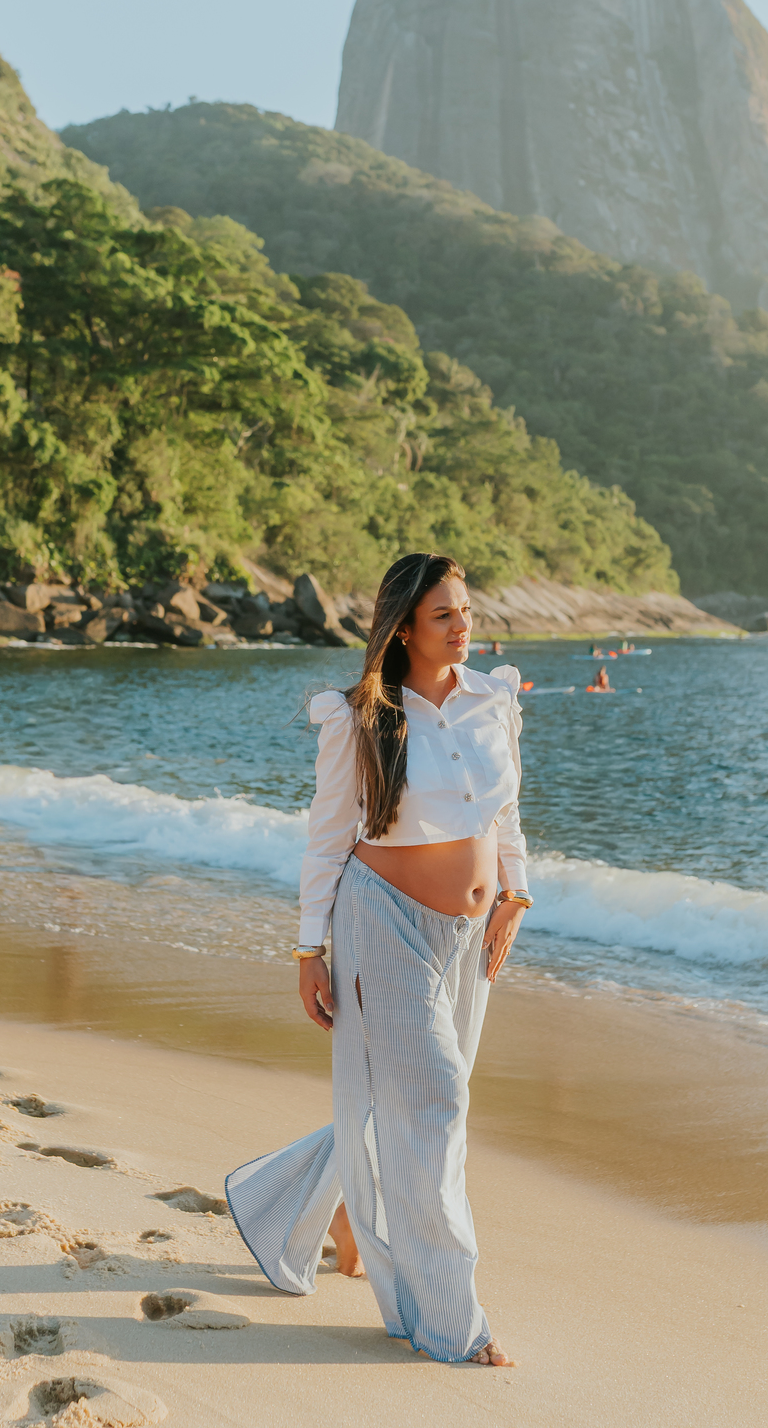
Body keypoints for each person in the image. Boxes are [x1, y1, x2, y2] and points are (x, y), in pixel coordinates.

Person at [225, 553, 530, 1367]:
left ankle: (311, 1207)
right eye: (444, 616)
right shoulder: (359, 717)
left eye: (466, 610)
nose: (464, 625)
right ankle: (447, 1320)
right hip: (382, 924)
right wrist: (308, 948)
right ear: (402, 630)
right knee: (433, 1106)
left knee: (417, 1099)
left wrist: (515, 896)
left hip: (470, 938)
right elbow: (328, 840)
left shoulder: (493, 700)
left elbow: (505, 815)